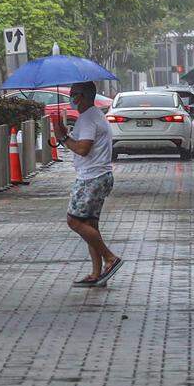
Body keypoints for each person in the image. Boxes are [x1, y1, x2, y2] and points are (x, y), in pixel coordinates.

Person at [58, 81, 123, 287]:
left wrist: (63, 138)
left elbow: (83, 149)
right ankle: (96, 273)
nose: (71, 98)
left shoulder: (88, 118)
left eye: (73, 94)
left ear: (83, 96)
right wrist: (64, 134)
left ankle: (110, 258)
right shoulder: (94, 115)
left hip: (91, 178)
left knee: (74, 221)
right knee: (89, 225)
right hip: (99, 175)